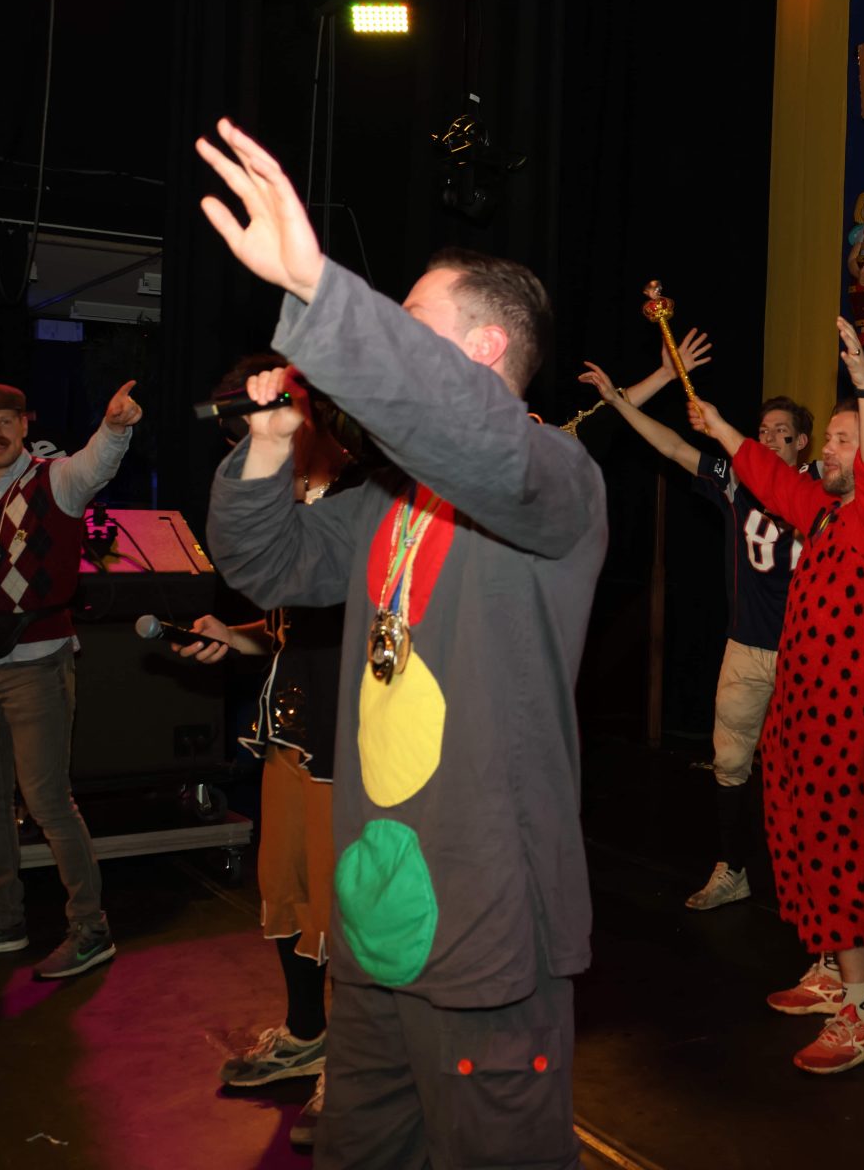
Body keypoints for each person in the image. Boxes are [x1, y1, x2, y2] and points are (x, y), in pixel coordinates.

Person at [197, 117, 605, 1168]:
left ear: (484, 350)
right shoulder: (390, 500)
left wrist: (318, 290)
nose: (386, 338)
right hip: (375, 917)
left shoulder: (556, 479)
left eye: (407, 320)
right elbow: (267, 564)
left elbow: (472, 434)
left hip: (486, 916)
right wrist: (271, 444)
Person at [685, 316, 864, 1076]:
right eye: (832, 440)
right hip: (795, 715)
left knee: (839, 853)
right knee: (794, 841)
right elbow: (768, 474)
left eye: (845, 441)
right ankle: (827, 970)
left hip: (843, 727)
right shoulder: (822, 512)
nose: (830, 450)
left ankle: (863, 1012)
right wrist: (720, 426)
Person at [172, 355, 366, 1150]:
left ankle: (354, 1067)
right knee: (286, 891)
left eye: (262, 425)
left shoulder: (364, 497)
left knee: (344, 908)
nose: (248, 441)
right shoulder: (288, 500)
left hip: (349, 742)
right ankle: (307, 1031)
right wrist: (237, 636)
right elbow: (293, 630)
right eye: (238, 433)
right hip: (289, 730)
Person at [577, 337, 824, 913]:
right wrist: (617, 404)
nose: (769, 439)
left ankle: (814, 879)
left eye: (781, 432)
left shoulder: (822, 482)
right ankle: (732, 868)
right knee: (731, 762)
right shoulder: (738, 477)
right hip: (746, 647)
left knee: (805, 770)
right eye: (762, 431)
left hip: (808, 651)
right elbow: (671, 446)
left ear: (802, 442)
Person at [0, 377, 141, 979]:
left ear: (25, 426)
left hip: (38, 661)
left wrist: (115, 426)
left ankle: (90, 929)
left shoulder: (56, 480)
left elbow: (98, 463)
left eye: (6, 421)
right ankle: (4, 921)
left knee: (48, 801)